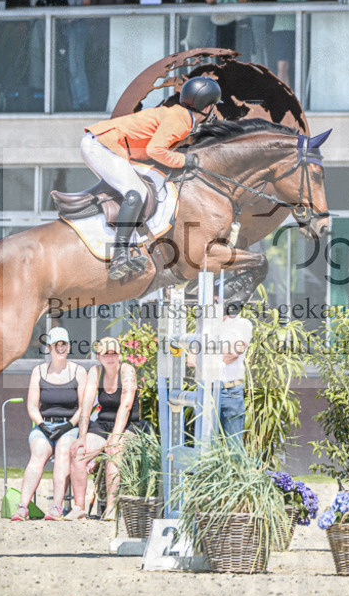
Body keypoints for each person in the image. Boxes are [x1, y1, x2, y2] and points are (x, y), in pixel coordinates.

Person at [81, 75, 222, 280]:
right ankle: (120, 254)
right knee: (136, 192)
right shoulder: (181, 120)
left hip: (107, 145)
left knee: (152, 185)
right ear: (208, 108)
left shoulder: (180, 116)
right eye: (214, 107)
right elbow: (155, 150)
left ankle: (133, 245)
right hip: (101, 146)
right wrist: (186, 161)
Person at [11, 326, 88, 521]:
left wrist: (69, 425)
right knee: (38, 453)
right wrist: (42, 425)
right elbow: (32, 405)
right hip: (44, 424)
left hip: (68, 426)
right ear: (49, 348)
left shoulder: (78, 371)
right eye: (56, 345)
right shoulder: (39, 371)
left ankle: (56, 507)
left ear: (68, 347)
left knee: (63, 453)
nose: (59, 348)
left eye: (63, 344)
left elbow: (83, 407)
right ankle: (23, 506)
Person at [67, 336, 143, 520]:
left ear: (120, 355)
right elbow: (86, 404)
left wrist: (115, 437)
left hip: (128, 425)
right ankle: (79, 507)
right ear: (99, 356)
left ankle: (111, 507)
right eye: (106, 354)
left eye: (114, 353)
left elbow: (125, 407)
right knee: (78, 454)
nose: (110, 358)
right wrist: (82, 437)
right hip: (103, 423)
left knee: (114, 453)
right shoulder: (95, 371)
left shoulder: (127, 371)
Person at [59, 0, 93, 111]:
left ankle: (83, 101)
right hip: (65, 29)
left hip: (78, 28)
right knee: (69, 66)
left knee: (76, 66)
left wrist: (73, 18)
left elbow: (87, 4)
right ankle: (75, 102)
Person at [217, 301, 253, 439]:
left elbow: (233, 353)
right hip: (207, 389)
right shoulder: (206, 324)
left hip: (230, 390)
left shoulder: (241, 324)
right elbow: (191, 359)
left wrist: (206, 354)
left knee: (233, 446)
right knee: (205, 446)